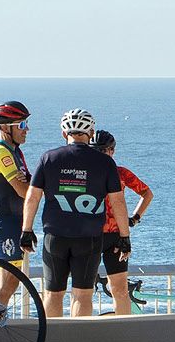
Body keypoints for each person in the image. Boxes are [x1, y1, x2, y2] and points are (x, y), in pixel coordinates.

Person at [23, 109, 128, 320]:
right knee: (82, 295)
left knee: (53, 294)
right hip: (88, 237)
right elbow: (117, 201)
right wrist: (125, 236)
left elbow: (32, 197)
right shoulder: (105, 162)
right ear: (91, 132)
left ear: (64, 134)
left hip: (55, 236)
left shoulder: (48, 158)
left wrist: (26, 229)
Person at [91, 128, 154, 315]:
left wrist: (134, 218)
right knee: (84, 290)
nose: (102, 154)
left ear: (113, 151)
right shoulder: (84, 174)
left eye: (106, 150)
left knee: (119, 289)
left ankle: (123, 328)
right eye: (97, 150)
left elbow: (147, 193)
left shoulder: (121, 173)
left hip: (116, 237)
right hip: (91, 235)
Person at [0, 101, 33, 308]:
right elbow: (23, 190)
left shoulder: (15, 151)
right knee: (10, 281)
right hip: (5, 220)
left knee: (6, 281)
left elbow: (28, 184)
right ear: (5, 127)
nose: (26, 129)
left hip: (14, 219)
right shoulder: (1, 153)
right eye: (21, 125)